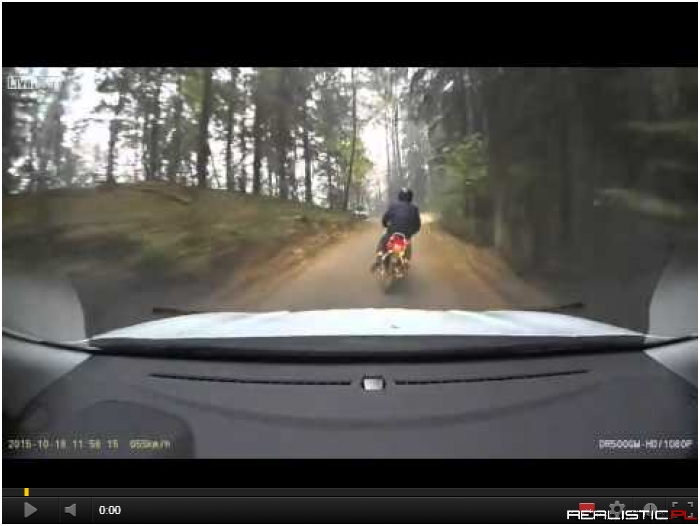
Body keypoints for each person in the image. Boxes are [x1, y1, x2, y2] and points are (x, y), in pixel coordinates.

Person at [371, 187, 421, 272]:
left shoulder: (393, 206)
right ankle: (406, 261)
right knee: (408, 245)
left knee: (383, 240)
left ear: (400, 196)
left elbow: (385, 218)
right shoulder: (414, 208)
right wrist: (413, 232)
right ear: (410, 197)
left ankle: (379, 258)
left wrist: (385, 225)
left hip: (392, 232)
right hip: (406, 234)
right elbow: (417, 224)